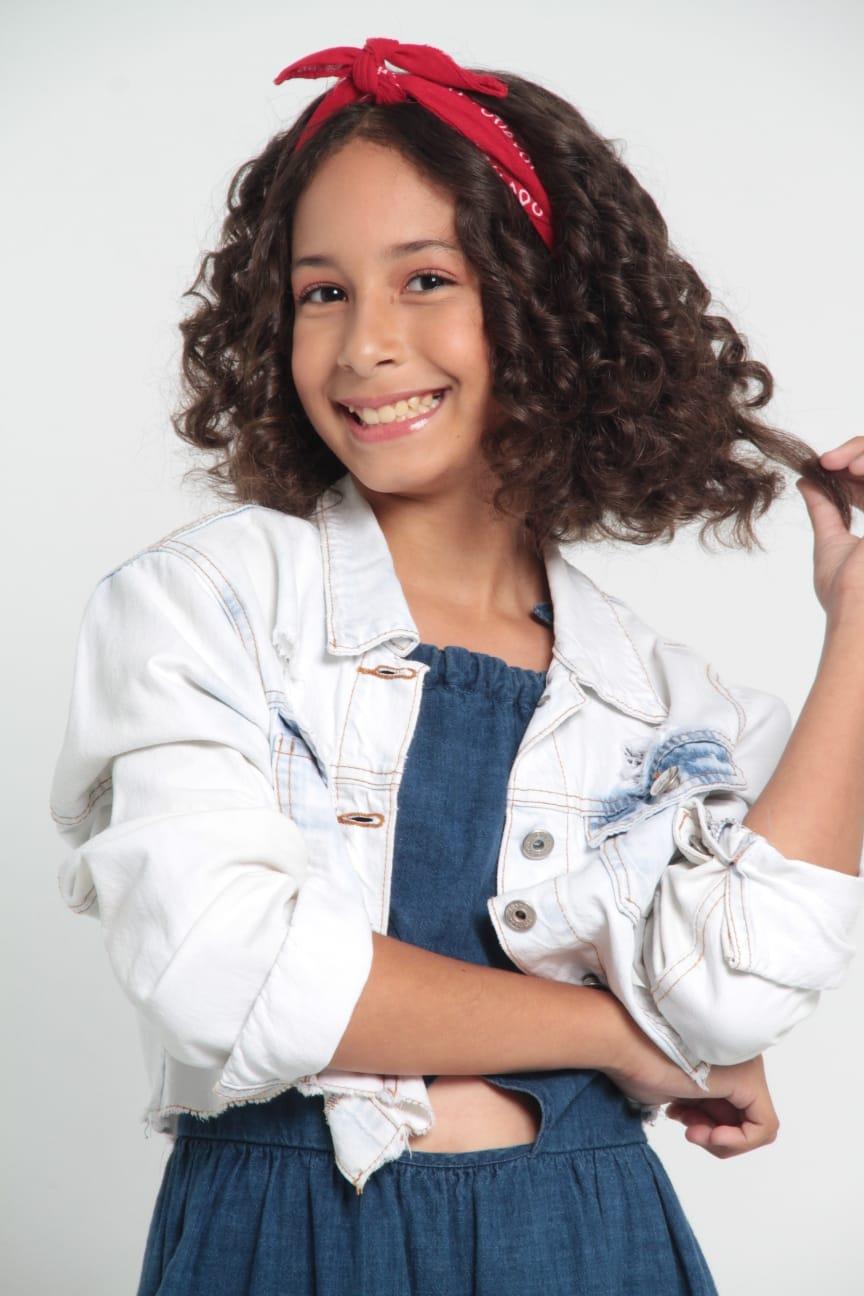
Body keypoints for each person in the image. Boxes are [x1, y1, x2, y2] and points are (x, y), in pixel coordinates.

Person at [49, 37, 864, 1296]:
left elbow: (735, 998)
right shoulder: (208, 602)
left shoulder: (655, 697)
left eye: (426, 278)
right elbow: (228, 970)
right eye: (322, 292)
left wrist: (858, 623)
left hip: (595, 1242)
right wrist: (618, 1036)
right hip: (291, 1241)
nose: (366, 345)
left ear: (549, 310)